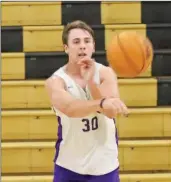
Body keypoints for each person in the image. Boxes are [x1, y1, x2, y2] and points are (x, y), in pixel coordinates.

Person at [45, 20, 129, 182]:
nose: (82, 46)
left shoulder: (105, 73)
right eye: (76, 42)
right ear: (66, 48)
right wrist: (102, 103)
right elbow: (70, 108)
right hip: (69, 166)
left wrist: (91, 82)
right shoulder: (55, 81)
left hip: (105, 164)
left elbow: (110, 112)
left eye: (87, 41)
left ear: (93, 46)